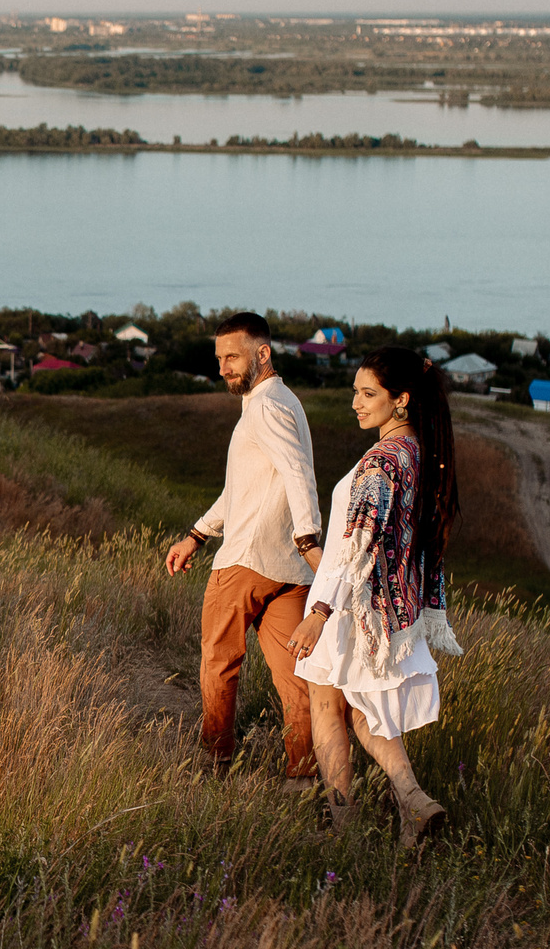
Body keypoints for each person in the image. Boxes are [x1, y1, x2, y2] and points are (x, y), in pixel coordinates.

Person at [291, 346, 461, 847]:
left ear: (401, 399)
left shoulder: (383, 461)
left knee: (328, 707)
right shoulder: (419, 453)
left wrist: (319, 612)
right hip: (389, 607)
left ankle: (344, 831)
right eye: (355, 393)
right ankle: (413, 804)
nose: (356, 404)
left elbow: (358, 543)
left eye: (368, 394)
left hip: (351, 606)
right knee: (365, 710)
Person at [161, 312, 324, 780]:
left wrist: (309, 537)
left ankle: (216, 764)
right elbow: (241, 490)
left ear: (263, 353)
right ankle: (302, 777)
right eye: (219, 359)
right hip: (289, 572)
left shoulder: (266, 407)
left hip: (247, 562)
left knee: (219, 664)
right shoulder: (281, 401)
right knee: (296, 681)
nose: (223, 369)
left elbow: (298, 473)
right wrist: (197, 535)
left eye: (232, 357)